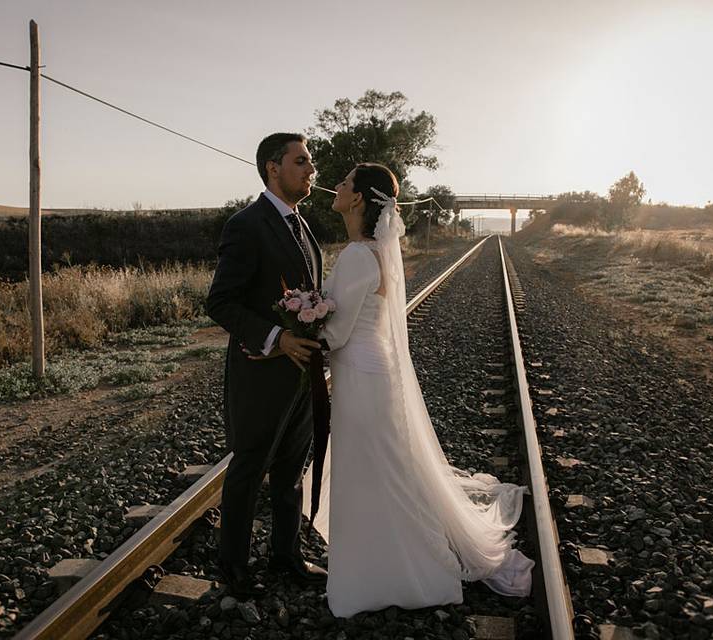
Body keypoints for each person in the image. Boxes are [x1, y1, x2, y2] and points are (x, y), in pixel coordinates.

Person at [302, 163, 534, 618]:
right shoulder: (375, 252)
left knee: (371, 473)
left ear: (359, 200)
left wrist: (301, 322)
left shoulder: (355, 256)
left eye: (347, 182)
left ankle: (391, 573)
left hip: (361, 377)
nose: (338, 185)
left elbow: (339, 331)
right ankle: (391, 563)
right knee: (385, 470)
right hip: (376, 373)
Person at [206, 132, 328, 598]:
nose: (311, 170)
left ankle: (286, 554)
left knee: (291, 470)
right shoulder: (247, 224)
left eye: (309, 162)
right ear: (273, 167)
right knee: (249, 469)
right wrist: (276, 337)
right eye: (302, 161)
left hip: (301, 376)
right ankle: (233, 566)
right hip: (261, 373)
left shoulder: (302, 225)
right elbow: (220, 302)